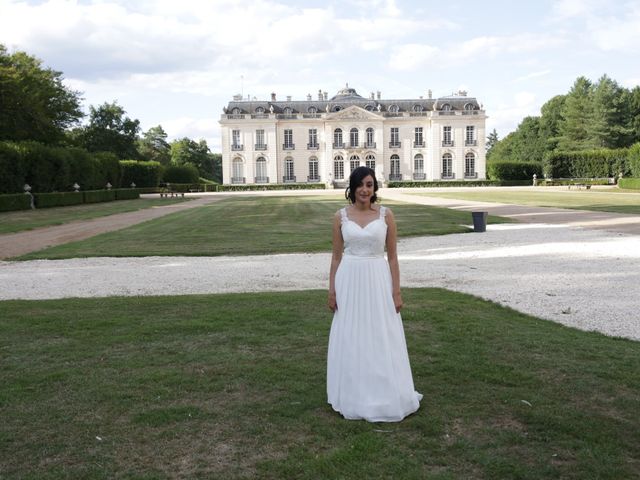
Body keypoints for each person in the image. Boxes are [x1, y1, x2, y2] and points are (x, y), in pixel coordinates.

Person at [327, 166, 422, 422]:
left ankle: (385, 392)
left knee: (380, 333)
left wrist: (396, 291)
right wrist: (332, 290)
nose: (364, 190)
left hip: (378, 279)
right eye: (360, 185)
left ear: (374, 188)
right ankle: (353, 392)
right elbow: (336, 257)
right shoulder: (340, 217)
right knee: (352, 334)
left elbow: (392, 257)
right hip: (349, 279)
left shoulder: (386, 216)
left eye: (369, 185)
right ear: (352, 187)